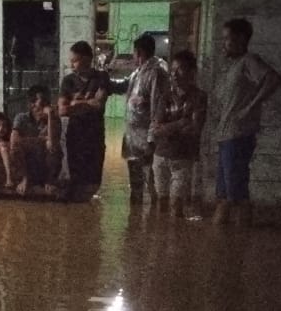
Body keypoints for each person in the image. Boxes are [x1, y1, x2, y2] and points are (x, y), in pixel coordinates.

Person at [214, 17, 281, 225]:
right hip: (226, 133)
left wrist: (251, 107)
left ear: (241, 39)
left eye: (228, 39)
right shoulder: (232, 66)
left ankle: (239, 239)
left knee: (237, 189)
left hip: (239, 133)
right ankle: (225, 242)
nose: (224, 43)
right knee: (224, 190)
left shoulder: (249, 61)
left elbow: (273, 79)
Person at [111, 32, 169, 204]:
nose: (133, 57)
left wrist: (152, 139)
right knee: (135, 178)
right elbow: (123, 86)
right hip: (132, 136)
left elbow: (158, 107)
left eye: (134, 53)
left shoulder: (156, 73)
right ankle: (135, 218)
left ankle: (155, 216)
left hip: (146, 136)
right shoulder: (138, 72)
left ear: (140, 53)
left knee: (152, 178)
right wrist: (103, 81)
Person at [152, 50, 208, 218]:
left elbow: (195, 127)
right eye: (173, 70)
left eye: (180, 70)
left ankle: (176, 239)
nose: (174, 75)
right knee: (161, 202)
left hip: (183, 157)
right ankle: (161, 240)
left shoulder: (199, 97)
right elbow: (156, 128)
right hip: (160, 154)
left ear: (192, 72)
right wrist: (180, 123)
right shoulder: (165, 96)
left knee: (177, 205)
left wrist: (167, 127)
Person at [59, 41, 111, 196]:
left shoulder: (101, 77)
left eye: (75, 60)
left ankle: (91, 217)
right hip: (75, 135)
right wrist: (87, 102)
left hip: (94, 136)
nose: (71, 64)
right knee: (76, 178)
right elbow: (62, 110)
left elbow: (99, 104)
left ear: (87, 59)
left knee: (93, 180)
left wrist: (75, 102)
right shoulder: (68, 80)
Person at [10, 85, 62, 191]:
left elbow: (52, 144)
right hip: (27, 165)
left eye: (48, 102)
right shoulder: (21, 118)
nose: (46, 106)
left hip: (45, 164)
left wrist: (50, 116)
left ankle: (49, 180)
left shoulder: (53, 119)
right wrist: (39, 141)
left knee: (52, 146)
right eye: (43, 102)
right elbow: (14, 141)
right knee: (15, 147)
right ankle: (25, 179)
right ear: (32, 104)